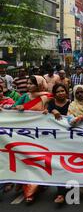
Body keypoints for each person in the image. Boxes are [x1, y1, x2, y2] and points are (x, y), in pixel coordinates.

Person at [12, 75, 52, 204]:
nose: (28, 86)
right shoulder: (24, 97)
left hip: (41, 134)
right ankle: (28, 189)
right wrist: (17, 108)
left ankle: (35, 187)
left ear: (39, 85)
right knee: (27, 160)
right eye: (27, 83)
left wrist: (48, 111)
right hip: (24, 135)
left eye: (31, 83)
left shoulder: (47, 96)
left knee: (38, 160)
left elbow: (53, 111)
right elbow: (13, 109)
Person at [44, 83, 71, 205]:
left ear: (66, 92)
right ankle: (61, 192)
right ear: (55, 93)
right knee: (56, 165)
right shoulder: (50, 104)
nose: (61, 93)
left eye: (63, 91)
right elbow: (45, 113)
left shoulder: (71, 104)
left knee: (68, 165)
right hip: (53, 140)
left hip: (69, 140)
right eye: (58, 91)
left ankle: (70, 190)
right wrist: (51, 110)